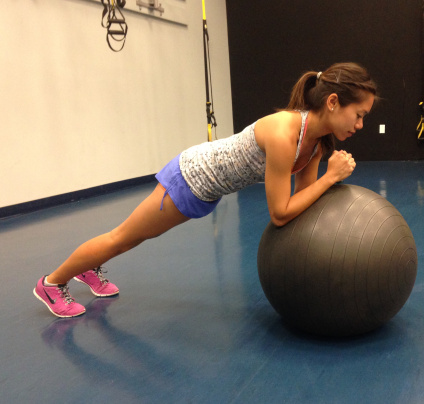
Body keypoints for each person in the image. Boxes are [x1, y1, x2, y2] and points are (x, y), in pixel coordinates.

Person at [33, 62, 377, 318]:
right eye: (358, 115)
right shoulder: (284, 133)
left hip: (208, 191)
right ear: (333, 102)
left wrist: (325, 177)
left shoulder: (315, 145)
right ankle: (51, 283)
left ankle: (87, 269)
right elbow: (281, 212)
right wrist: (330, 178)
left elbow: (303, 201)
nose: (360, 125)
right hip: (190, 178)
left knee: (131, 238)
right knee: (124, 237)